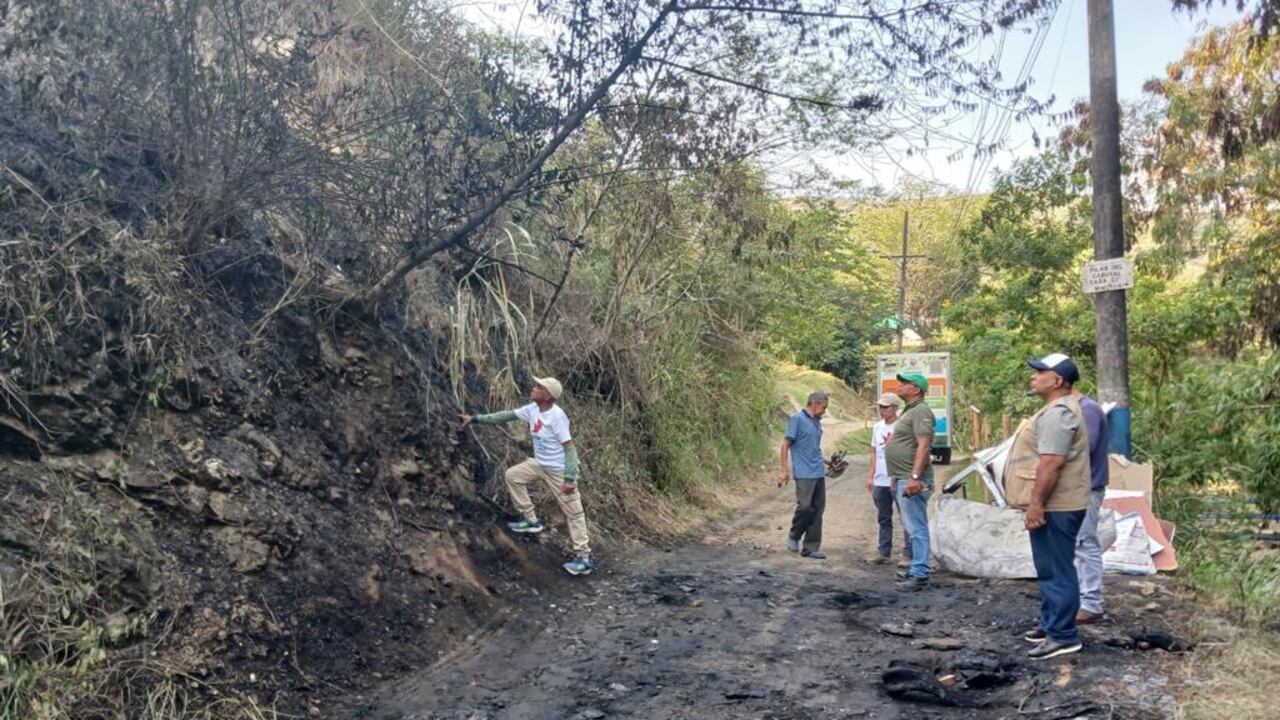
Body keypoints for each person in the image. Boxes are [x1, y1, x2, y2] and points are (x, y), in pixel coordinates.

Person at [460, 377, 594, 576]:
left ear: (547, 395)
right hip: (539, 463)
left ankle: (583, 559)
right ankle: (532, 521)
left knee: (574, 513)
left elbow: (570, 449)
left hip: (559, 469)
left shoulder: (557, 417)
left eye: (539, 387)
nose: (534, 388)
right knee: (513, 476)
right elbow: (505, 416)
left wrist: (569, 478)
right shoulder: (532, 409)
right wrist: (476, 419)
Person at [1012, 353, 1093, 660]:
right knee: (1048, 567)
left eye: (1040, 372)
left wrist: (1036, 505)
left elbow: (1052, 463)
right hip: (1056, 503)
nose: (1033, 377)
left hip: (1058, 505)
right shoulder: (1055, 410)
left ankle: (1063, 635)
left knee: (1057, 570)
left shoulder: (1059, 413)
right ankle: (1051, 625)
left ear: (1057, 380)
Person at [884, 373, 935, 590]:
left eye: (904, 384)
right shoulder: (911, 411)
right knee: (912, 526)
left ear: (915, 389)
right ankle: (916, 567)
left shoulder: (921, 411)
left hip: (912, 480)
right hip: (903, 477)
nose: (899, 386)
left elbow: (924, 445)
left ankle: (920, 573)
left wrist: (914, 477)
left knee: (917, 527)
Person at [779, 392, 831, 559]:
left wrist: (827, 461)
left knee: (818, 510)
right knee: (805, 507)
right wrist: (784, 470)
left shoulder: (816, 423)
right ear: (814, 404)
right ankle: (794, 535)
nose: (824, 411)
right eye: (824, 407)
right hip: (804, 473)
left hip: (818, 472)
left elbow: (813, 447)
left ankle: (811, 547)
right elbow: (786, 444)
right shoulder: (797, 419)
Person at [1074, 390, 1110, 624]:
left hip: (1085, 488)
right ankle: (1081, 599)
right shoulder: (1079, 409)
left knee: (1084, 542)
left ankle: (1091, 603)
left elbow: (1082, 450)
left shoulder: (1086, 410)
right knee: (1077, 544)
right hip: (1077, 488)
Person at [867, 393, 911, 565]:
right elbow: (873, 451)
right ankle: (884, 551)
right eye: (881, 407)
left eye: (886, 407)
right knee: (883, 517)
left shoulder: (902, 426)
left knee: (906, 516)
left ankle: (909, 553)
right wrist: (871, 475)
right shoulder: (877, 427)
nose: (882, 410)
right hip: (880, 479)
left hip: (898, 478)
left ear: (895, 408)